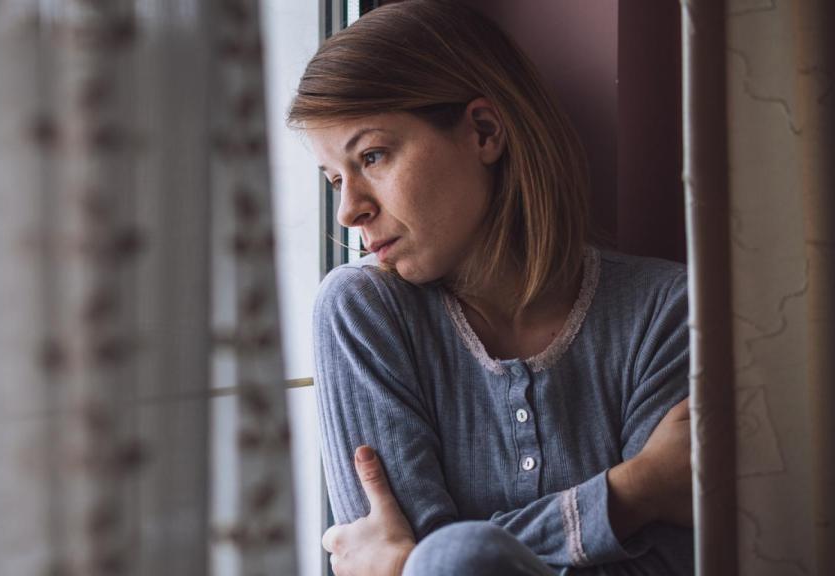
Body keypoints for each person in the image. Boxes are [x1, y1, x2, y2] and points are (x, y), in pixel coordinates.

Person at [287, 1, 693, 575]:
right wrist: (633, 491)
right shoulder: (362, 312)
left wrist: (416, 562)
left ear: (483, 131)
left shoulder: (667, 310)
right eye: (334, 179)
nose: (348, 211)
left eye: (371, 156)